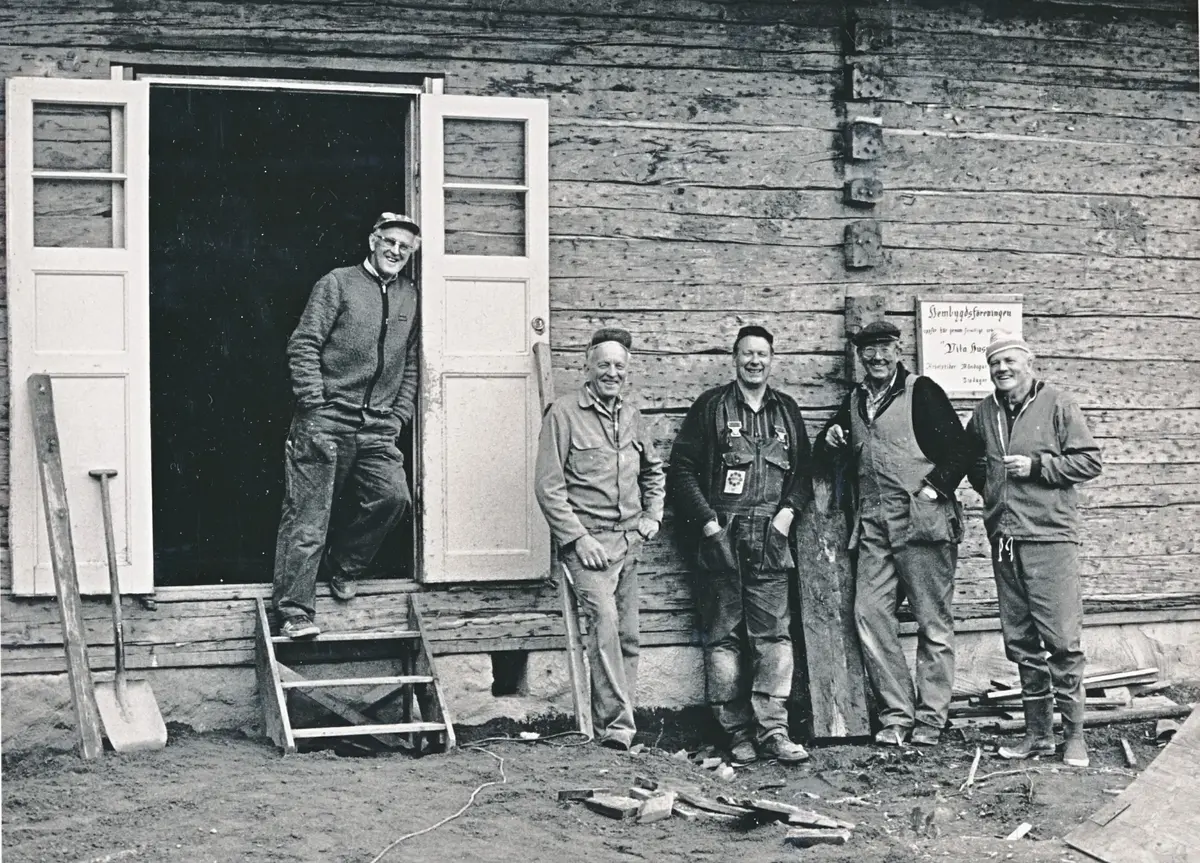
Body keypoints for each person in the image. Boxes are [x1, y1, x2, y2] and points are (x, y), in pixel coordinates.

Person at [817, 320, 971, 747]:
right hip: (874, 529)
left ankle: (931, 718)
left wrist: (933, 489)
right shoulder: (855, 400)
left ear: (898, 351)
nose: (877, 357)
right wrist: (830, 437)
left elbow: (961, 450)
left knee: (932, 622)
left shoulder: (922, 392)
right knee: (869, 614)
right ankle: (898, 714)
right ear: (859, 356)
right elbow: (827, 450)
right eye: (868, 350)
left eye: (885, 348)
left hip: (922, 525)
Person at [272, 213, 421, 639]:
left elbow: (410, 362)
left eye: (405, 247)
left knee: (392, 498)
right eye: (390, 241)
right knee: (308, 515)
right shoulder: (337, 283)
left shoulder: (410, 295)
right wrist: (314, 402)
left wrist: (398, 415)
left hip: (377, 424)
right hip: (327, 418)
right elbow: (304, 343)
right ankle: (294, 612)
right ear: (373, 240)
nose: (396, 251)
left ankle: (343, 565)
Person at [669, 325, 812, 764]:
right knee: (723, 638)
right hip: (722, 539)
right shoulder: (712, 407)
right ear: (734, 358)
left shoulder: (786, 410)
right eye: (747, 353)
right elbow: (682, 470)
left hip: (771, 539)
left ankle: (774, 731)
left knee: (774, 637)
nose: (755, 361)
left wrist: (787, 513)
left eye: (762, 354)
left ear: (772, 360)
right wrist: (709, 525)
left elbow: (804, 473)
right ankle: (735, 734)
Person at [967, 331, 1102, 768]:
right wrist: (995, 494)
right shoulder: (985, 412)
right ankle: (1037, 735)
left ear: (1029, 363)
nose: (1002, 369)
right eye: (994, 363)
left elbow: (1089, 461)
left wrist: (1037, 467)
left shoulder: (1058, 404)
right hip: (1006, 540)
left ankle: (1074, 737)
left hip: (1049, 537)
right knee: (1021, 642)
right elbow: (974, 463)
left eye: (1009, 360)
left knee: (1061, 640)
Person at [534, 328, 666, 750]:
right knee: (605, 629)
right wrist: (577, 539)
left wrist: (652, 516)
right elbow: (548, 487)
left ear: (627, 372)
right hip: (589, 548)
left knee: (627, 636)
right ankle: (617, 728)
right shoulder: (563, 414)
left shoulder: (632, 415)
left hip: (629, 542)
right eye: (604, 364)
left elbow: (653, 470)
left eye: (619, 366)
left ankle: (622, 722)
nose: (612, 372)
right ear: (586, 367)